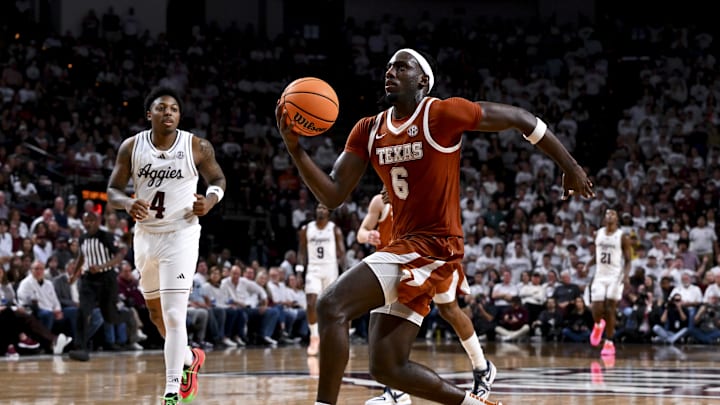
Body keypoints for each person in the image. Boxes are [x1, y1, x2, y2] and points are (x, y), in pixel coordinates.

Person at [275, 48, 593, 405]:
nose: (391, 71)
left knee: (332, 305)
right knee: (387, 367)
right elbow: (333, 194)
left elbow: (520, 118)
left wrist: (570, 166)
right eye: (389, 66)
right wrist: (296, 150)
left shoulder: (441, 113)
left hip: (434, 247)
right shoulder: (368, 129)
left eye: (402, 66)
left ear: (423, 82)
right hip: (405, 248)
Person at [106, 85, 227, 405]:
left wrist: (211, 201)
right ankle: (189, 358)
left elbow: (218, 181)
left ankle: (172, 390)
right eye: (161, 108)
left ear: (179, 115)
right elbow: (112, 190)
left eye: (173, 108)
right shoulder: (131, 147)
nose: (168, 112)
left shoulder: (196, 146)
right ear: (149, 114)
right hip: (145, 236)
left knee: (174, 316)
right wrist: (127, 203)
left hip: (181, 235)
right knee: (156, 315)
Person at [358, 189, 497, 403]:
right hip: (397, 267)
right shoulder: (379, 202)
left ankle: (482, 367)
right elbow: (362, 231)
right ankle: (396, 390)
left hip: (430, 260)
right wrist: (368, 235)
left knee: (449, 310)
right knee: (389, 313)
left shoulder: (421, 197)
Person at [67, 212, 125, 361]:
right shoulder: (82, 238)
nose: (88, 223)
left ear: (98, 221)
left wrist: (101, 267)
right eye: (85, 221)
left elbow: (118, 257)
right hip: (88, 279)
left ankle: (127, 320)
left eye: (91, 220)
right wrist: (74, 275)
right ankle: (80, 347)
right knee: (83, 311)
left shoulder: (106, 236)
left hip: (106, 278)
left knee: (109, 314)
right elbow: (81, 257)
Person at [296, 203, 345, 356]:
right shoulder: (306, 229)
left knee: (332, 306)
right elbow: (301, 252)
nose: (320, 210)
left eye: (324, 208)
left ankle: (331, 337)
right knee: (311, 303)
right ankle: (314, 336)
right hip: (313, 268)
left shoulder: (334, 229)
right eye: (318, 207)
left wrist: (344, 272)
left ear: (329, 213)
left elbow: (342, 252)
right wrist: (299, 272)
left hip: (331, 268)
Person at [584, 209, 631, 358]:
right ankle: (598, 325)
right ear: (604, 218)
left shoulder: (622, 236)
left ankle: (609, 342)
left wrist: (626, 275)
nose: (609, 216)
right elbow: (597, 254)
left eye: (613, 214)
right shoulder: (597, 234)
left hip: (615, 276)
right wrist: (587, 265)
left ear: (617, 219)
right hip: (600, 274)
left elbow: (628, 260)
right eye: (607, 214)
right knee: (596, 308)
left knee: (610, 308)